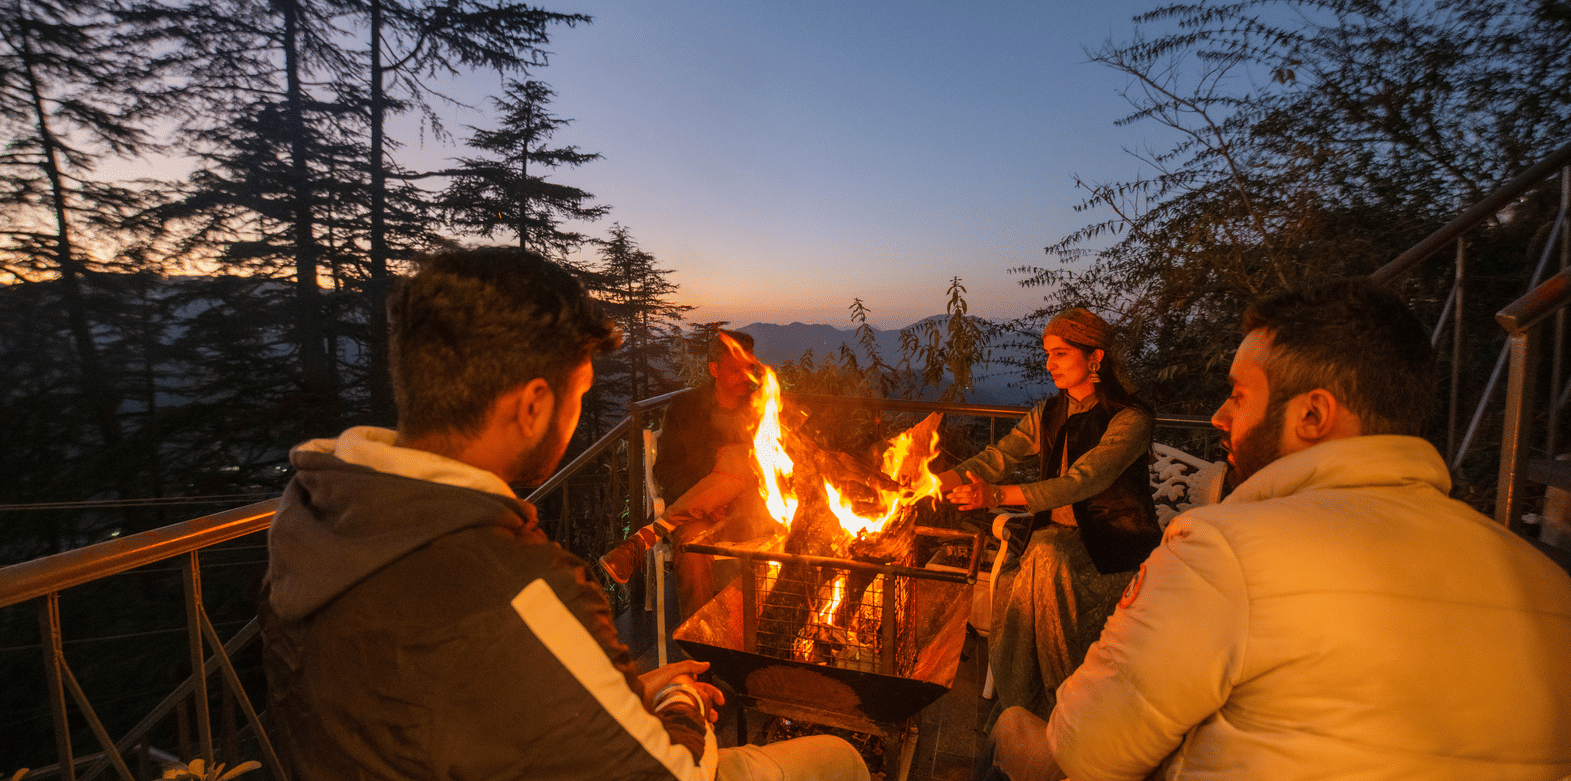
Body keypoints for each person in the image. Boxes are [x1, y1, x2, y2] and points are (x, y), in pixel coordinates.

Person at [259, 247, 868, 781]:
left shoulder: (311, 519)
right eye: (580, 395)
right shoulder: (521, 583)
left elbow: (442, 701)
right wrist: (678, 699)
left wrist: (629, 693)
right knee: (839, 759)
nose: (577, 415)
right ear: (532, 406)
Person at [988, 278, 1571, 781]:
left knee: (1016, 732)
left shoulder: (1220, 550)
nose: (1218, 416)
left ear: (1312, 415)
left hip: (1110, 553)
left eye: (1239, 396)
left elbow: (1086, 751)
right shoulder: (1548, 584)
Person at [935, 307, 1161, 723]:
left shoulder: (1130, 419)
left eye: (1060, 353)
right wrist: (927, 483)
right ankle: (1026, 710)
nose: (1048, 364)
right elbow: (998, 457)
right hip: (1054, 539)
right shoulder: (1050, 412)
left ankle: (1062, 708)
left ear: (1095, 358)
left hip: (1111, 546)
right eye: (1047, 354)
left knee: (1044, 559)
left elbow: (1082, 481)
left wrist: (995, 495)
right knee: (1039, 559)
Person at [602, 330, 780, 618]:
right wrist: (708, 503)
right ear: (714, 369)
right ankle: (698, 637)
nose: (746, 377)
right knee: (693, 546)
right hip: (697, 517)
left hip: (750, 514)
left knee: (739, 460)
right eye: (735, 370)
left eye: (749, 368)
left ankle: (644, 539)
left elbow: (774, 467)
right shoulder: (685, 409)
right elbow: (666, 469)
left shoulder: (762, 408)